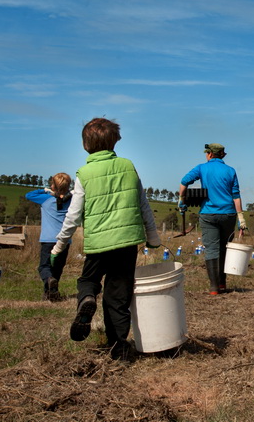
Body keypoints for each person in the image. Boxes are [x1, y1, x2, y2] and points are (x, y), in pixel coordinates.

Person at [51, 117, 160, 360]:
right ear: (115, 141)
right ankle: (118, 347)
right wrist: (153, 237)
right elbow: (143, 205)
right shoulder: (128, 166)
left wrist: (59, 246)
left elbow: (73, 215)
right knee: (118, 296)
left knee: (88, 279)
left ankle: (87, 299)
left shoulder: (85, 173)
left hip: (99, 243)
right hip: (127, 242)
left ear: (85, 145)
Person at [179, 143, 245, 295]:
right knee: (224, 247)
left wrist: (181, 199)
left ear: (209, 154)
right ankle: (222, 283)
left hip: (208, 214)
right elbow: (236, 196)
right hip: (229, 214)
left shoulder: (202, 168)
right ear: (222, 155)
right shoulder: (230, 170)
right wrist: (241, 217)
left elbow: (184, 182)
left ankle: (214, 288)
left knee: (212, 249)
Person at [26, 173, 72, 301]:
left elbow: (29, 195)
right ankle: (51, 294)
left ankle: (48, 281)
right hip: (64, 239)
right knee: (57, 268)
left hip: (48, 239)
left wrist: (45, 190)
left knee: (44, 267)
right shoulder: (71, 200)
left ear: (53, 186)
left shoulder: (46, 199)